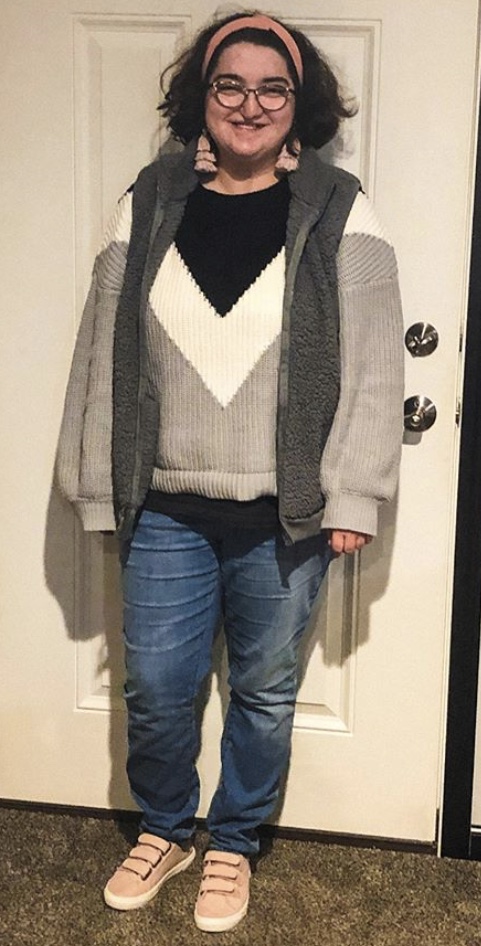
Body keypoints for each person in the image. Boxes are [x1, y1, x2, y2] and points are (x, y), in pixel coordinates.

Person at [56, 9, 404, 934]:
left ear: (299, 102)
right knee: (155, 689)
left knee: (263, 692)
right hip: (164, 505)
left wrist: (355, 491)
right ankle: (165, 828)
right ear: (201, 96)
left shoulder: (341, 209)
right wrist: (94, 482)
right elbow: (101, 348)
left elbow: (375, 365)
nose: (250, 105)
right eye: (230, 85)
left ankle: (235, 841)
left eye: (271, 88)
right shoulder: (148, 201)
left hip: (286, 514)